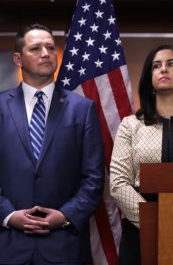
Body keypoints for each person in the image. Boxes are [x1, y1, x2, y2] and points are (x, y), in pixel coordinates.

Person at [0, 24, 104, 264]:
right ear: (18, 58)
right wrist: (9, 215)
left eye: (49, 47)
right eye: (35, 48)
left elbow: (93, 178)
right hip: (8, 247)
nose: (45, 53)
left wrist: (65, 215)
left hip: (64, 246)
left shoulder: (83, 109)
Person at [110, 45, 173, 265]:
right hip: (138, 230)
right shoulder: (131, 125)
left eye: (171, 64)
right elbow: (118, 183)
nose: (163, 69)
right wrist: (153, 221)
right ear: (150, 77)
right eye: (157, 66)